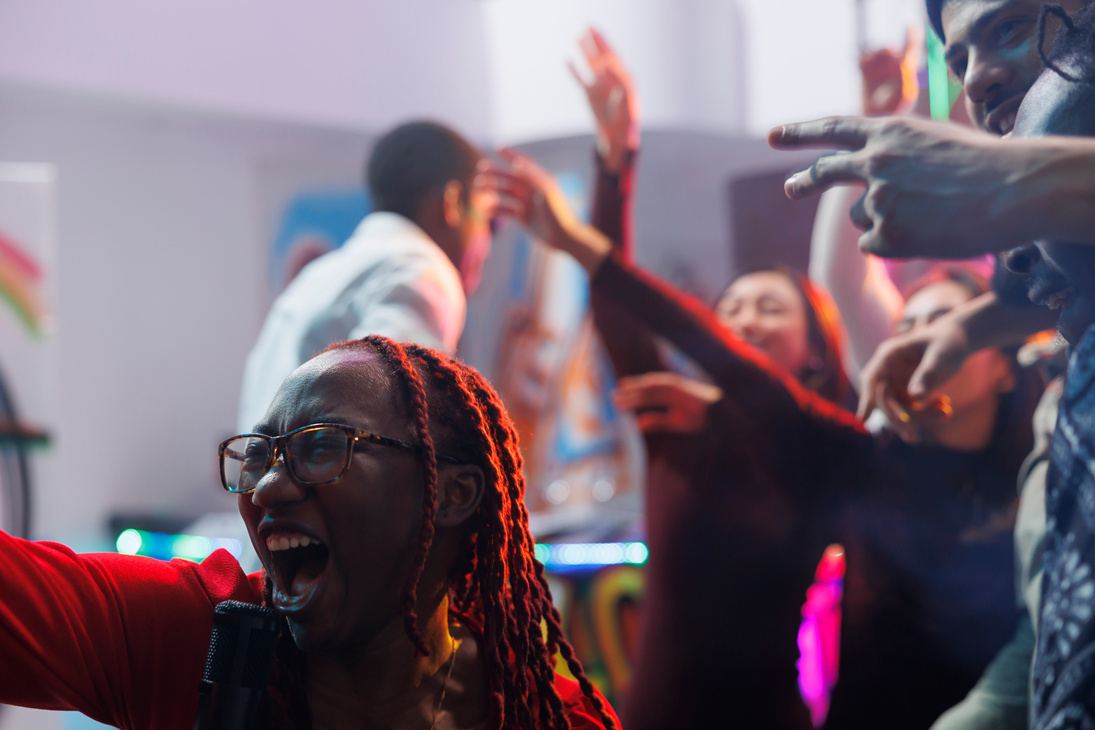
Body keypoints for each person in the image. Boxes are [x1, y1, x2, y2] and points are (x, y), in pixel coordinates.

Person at [482, 133, 1040, 728]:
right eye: (911, 326)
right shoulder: (861, 460)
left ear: (1003, 363)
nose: (923, 341)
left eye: (947, 326)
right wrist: (598, 198)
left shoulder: (1036, 474)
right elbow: (723, 363)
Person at [0, 335, 619, 730]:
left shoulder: (546, 715)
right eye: (259, 454)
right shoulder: (194, 638)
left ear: (452, 495)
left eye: (321, 447)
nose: (267, 486)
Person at [237, 120, 497, 433]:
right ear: (451, 204)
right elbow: (388, 429)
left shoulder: (319, 275)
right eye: (488, 220)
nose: (487, 244)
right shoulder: (421, 270)